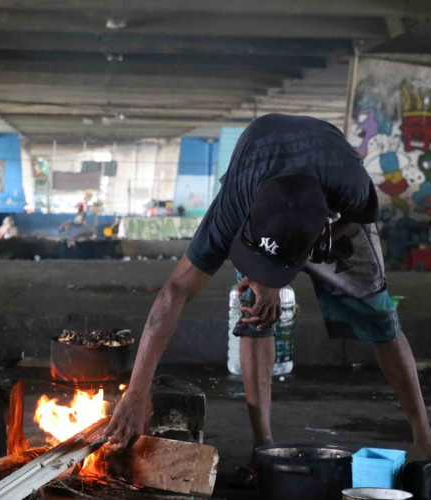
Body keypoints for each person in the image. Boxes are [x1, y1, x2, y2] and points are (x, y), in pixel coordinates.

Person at [104, 114, 431, 472]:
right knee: (254, 308)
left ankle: (424, 433)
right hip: (261, 171)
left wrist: (308, 251)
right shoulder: (234, 207)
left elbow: (362, 214)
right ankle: (264, 447)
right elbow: (174, 291)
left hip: (327, 201)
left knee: (379, 316)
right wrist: (136, 392)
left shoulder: (350, 184)